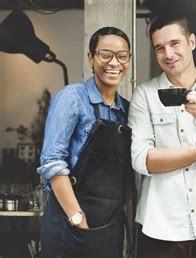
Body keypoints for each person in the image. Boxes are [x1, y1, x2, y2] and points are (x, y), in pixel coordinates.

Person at [127, 15, 196, 258]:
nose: (168, 54)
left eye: (175, 43)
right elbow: (142, 160)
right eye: (160, 47)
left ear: (192, 42)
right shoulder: (144, 95)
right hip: (160, 225)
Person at [37, 26, 135, 257]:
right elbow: (52, 163)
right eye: (105, 54)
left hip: (110, 228)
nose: (114, 63)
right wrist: (76, 217)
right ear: (91, 57)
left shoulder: (127, 111)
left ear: (128, 60)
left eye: (122, 56)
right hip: (70, 224)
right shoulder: (72, 98)